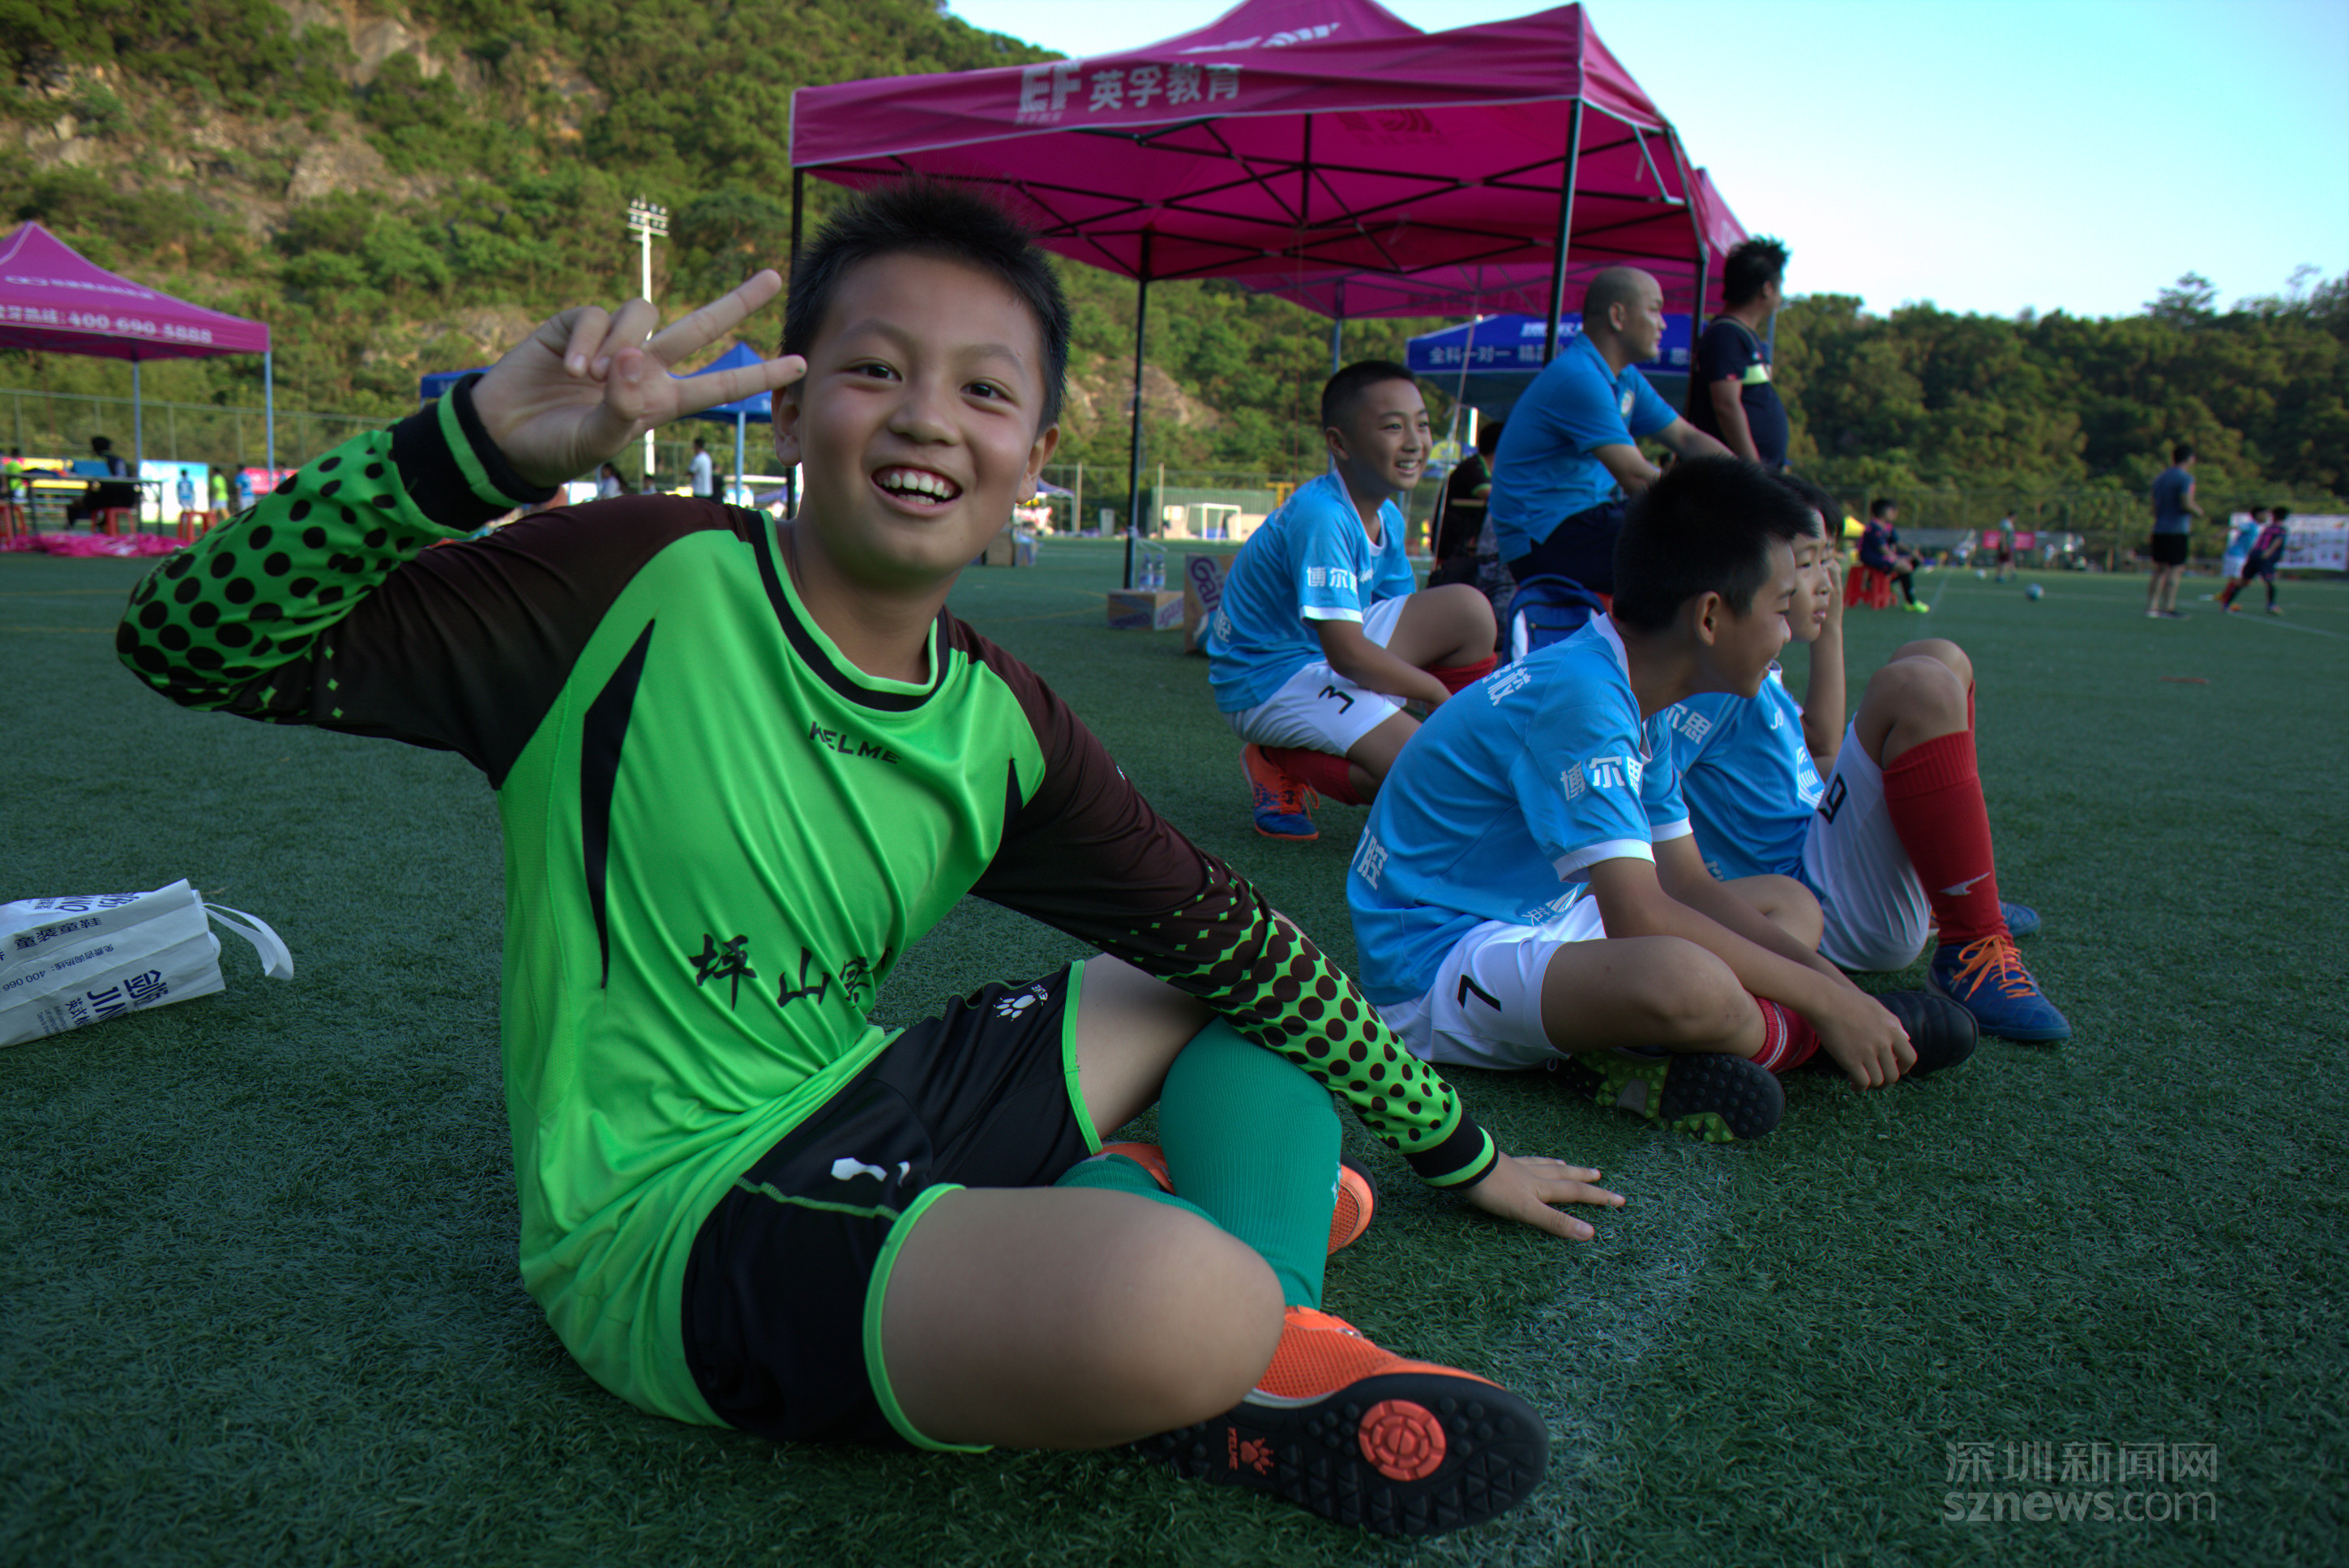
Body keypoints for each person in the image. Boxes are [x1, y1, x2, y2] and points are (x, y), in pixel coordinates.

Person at [115, 183, 1622, 1539]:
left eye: (982, 389)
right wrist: (472, 453)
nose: (924, 420)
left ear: (1031, 456)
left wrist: (1461, 1153)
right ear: (789, 412)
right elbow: (187, 641)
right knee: (1179, 1296)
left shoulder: (997, 720)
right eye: (873, 370)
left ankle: (1240, 1303)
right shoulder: (633, 581)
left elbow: (1233, 941)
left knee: (1228, 990)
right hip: (671, 1227)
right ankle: (1211, 1286)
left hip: (859, 1095)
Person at [1346, 458, 1974, 1146]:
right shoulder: (1587, 698)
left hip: (1545, 914)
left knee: (1791, 905)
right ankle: (1794, 1040)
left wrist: (1839, 989)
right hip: (1438, 955)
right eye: (1779, 607)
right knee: (1690, 982)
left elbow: (1689, 883)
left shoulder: (1642, 691)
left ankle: (1645, 1045)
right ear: (1710, 616)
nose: (1787, 632)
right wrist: (1827, 1002)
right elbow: (1640, 913)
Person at [1667, 474, 2071, 1042]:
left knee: (1939, 658)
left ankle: (1956, 900)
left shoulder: (1750, 672)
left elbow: (1819, 748)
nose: (1828, 579)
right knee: (1919, 687)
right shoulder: (1710, 682)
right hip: (1816, 905)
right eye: (1808, 562)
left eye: (1829, 558)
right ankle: (1972, 943)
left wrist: (1831, 631)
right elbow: (1647, 790)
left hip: (1822, 865)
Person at [1206, 361, 1500, 842]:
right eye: (1393, 427)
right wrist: (1434, 695)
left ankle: (1469, 743)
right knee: (1435, 772)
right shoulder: (1322, 516)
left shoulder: (1387, 515)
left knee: (1469, 610)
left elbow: (1399, 619)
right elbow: (1347, 654)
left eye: (1422, 424)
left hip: (1329, 650)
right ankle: (1277, 757)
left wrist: (1421, 703)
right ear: (1339, 444)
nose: (1415, 442)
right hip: (1268, 677)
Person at [1486, 267, 1733, 596]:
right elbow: (1635, 476)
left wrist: (1749, 481)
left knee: (1715, 544)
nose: (1663, 324)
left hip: (1585, 521)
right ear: (1618, 316)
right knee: (1709, 550)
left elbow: (1686, 438)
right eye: (1655, 310)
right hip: (1545, 539)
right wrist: (1728, 510)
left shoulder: (1624, 378)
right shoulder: (1580, 378)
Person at [1684, 237, 1791, 468]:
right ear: (1767, 289)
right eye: (1780, 286)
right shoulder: (1726, 335)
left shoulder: (1741, 335)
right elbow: (1726, 405)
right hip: (1735, 475)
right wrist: (1753, 469)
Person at [1428, 417, 1500, 583]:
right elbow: (1491, 496)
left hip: (1461, 548)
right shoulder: (1473, 467)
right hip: (1452, 548)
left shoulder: (1483, 470)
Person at [2146, 442, 2201, 618]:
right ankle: (2168, 607)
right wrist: (2198, 511)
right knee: (2175, 569)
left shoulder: (2160, 478)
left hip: (2159, 528)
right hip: (2177, 529)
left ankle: (2152, 607)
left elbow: (2154, 504)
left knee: (2159, 569)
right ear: (2190, 459)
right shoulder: (2186, 478)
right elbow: (2186, 502)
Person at [1858, 498, 1926, 612]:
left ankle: (1884, 584)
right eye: (1892, 510)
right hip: (1872, 558)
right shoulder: (1874, 527)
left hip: (1884, 557)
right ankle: (1911, 602)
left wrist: (1912, 553)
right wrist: (1898, 559)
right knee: (1905, 567)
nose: (1895, 513)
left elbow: (1898, 543)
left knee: (1915, 561)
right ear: (1884, 511)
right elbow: (1882, 549)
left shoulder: (1888, 526)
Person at [2219, 505, 2289, 615]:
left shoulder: (2267, 528)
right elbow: (2277, 541)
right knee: (2269, 582)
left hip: (2254, 556)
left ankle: (2226, 604)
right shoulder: (2281, 529)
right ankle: (2271, 605)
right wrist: (2268, 552)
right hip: (2264, 558)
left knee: (2243, 581)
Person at [64, 435, 137, 529]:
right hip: (128, 500)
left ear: (93, 448)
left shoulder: (96, 461)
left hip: (106, 500)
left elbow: (90, 485)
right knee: (99, 502)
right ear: (110, 448)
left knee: (76, 503)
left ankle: (69, 529)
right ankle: (105, 527)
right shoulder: (119, 460)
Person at [1993, 511, 2017, 581]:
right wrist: (2004, 545)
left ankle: (2006, 574)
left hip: (2007, 544)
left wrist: (2013, 538)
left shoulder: (2008, 523)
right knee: (2004, 561)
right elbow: (2003, 534)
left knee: (2005, 560)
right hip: (2005, 544)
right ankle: (2001, 575)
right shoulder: (2006, 523)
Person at [689, 435, 714, 499]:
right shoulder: (707, 457)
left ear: (697, 446)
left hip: (699, 492)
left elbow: (691, 472)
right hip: (707, 491)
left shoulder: (698, 458)